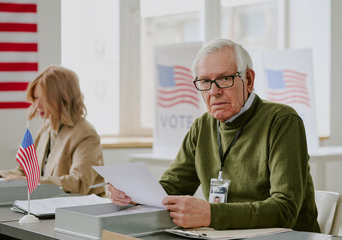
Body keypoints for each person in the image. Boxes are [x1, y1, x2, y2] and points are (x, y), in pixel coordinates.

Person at [108, 38, 320, 232]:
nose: (214, 91)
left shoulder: (282, 120)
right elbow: (170, 189)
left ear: (248, 79)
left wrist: (210, 214)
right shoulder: (202, 126)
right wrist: (132, 194)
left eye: (225, 78)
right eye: (205, 82)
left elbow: (285, 210)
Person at [0, 65, 105, 196]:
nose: (37, 105)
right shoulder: (47, 128)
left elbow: (79, 183)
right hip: (50, 205)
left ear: (62, 99)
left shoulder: (86, 134)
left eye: (44, 99)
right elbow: (27, 171)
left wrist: (32, 181)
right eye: (36, 98)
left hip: (79, 210)